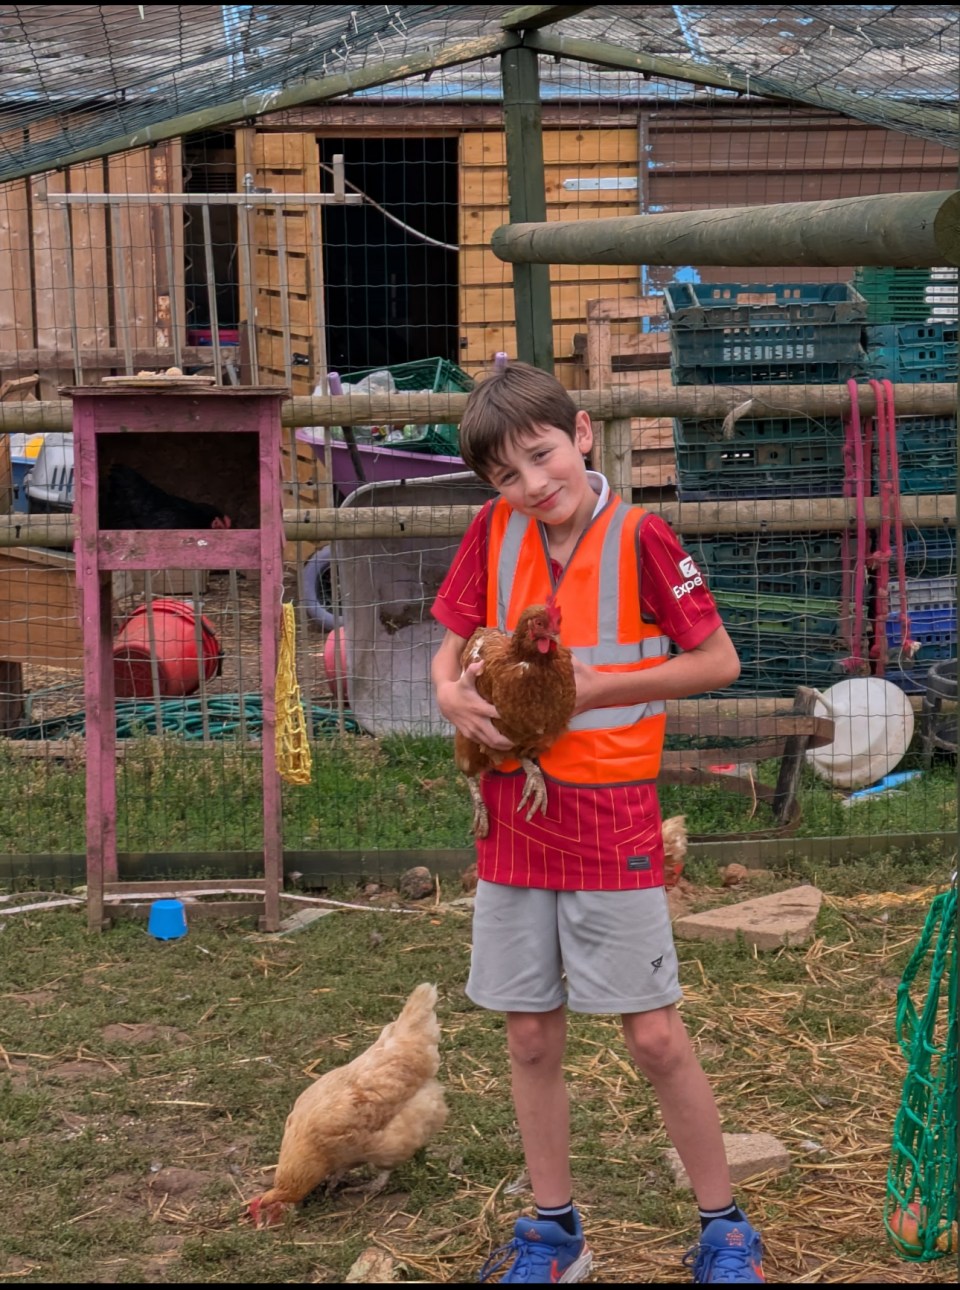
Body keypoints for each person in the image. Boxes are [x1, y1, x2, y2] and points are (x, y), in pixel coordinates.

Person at [430, 362, 765, 1285]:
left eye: (541, 458)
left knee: (653, 1036)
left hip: (612, 808)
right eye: (507, 476)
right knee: (530, 1033)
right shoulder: (492, 532)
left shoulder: (641, 536)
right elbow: (447, 649)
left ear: (580, 436)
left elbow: (719, 661)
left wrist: (605, 688)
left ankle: (725, 1225)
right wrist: (450, 696)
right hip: (513, 803)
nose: (533, 487)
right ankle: (552, 1233)